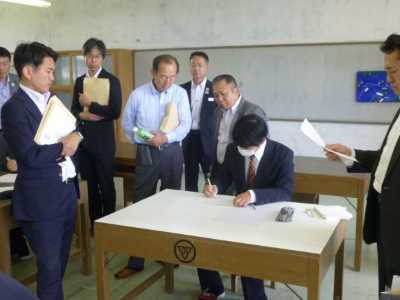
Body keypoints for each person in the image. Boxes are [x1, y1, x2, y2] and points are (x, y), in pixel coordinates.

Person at [1, 42, 82, 300]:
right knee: (48, 269)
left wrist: (77, 135)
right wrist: (63, 146)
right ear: (28, 71)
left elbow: (72, 129)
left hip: (65, 193)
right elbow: (29, 156)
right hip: (40, 201)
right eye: (48, 71)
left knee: (58, 264)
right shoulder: (14, 108)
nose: (52, 76)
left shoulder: (52, 100)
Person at [325, 33, 400, 293]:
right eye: (386, 73)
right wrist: (350, 153)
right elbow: (386, 159)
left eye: (392, 72)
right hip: (385, 222)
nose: (389, 80)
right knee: (388, 289)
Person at [199, 114, 294, 300]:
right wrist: (215, 186)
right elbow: (224, 175)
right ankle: (213, 288)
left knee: (248, 253)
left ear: (261, 140)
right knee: (202, 238)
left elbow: (285, 191)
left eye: (246, 147)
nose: (241, 150)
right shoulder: (234, 149)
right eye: (239, 145)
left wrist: (253, 194)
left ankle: (255, 297)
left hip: (266, 214)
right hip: (238, 212)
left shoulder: (283, 154)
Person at [117, 54, 191, 279]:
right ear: (153, 73)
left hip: (172, 154)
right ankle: (136, 260)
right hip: (146, 151)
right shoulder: (138, 94)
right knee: (141, 205)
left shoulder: (180, 93)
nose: (167, 82)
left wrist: (166, 138)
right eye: (162, 76)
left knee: (171, 206)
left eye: (172, 77)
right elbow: (127, 125)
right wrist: (147, 137)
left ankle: (167, 255)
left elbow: (186, 124)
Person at [71, 38, 122, 226]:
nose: (93, 61)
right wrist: (86, 115)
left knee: (106, 183)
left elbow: (115, 112)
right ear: (84, 57)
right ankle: (94, 223)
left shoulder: (112, 80)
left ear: (102, 58)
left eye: (97, 57)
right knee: (89, 185)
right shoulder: (79, 81)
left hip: (103, 143)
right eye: (89, 57)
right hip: (84, 142)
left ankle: (109, 223)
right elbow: (74, 110)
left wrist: (90, 106)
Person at [211, 74, 267, 183]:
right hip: (219, 165)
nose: (219, 99)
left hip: (240, 168)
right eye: (216, 95)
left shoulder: (253, 112)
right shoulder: (217, 111)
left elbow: (261, 142)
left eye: (223, 94)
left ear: (235, 91)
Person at [181, 51, 217, 191]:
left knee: (211, 176)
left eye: (200, 65)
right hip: (188, 137)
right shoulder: (181, 89)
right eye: (193, 65)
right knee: (190, 174)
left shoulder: (214, 88)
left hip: (207, 138)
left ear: (206, 67)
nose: (196, 68)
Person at [0, 47, 18, 168]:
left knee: (14, 167)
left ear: (9, 64)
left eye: (4, 64)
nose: (1, 68)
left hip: (14, 132)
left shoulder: (18, 81)